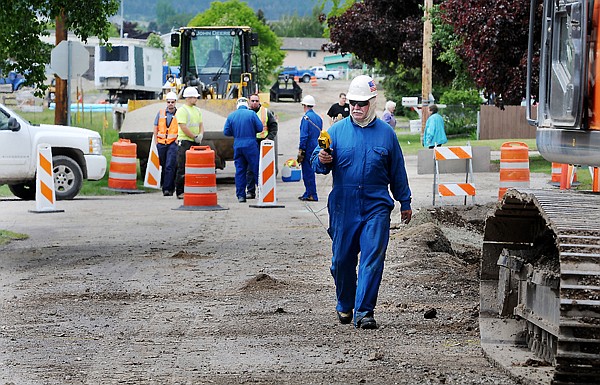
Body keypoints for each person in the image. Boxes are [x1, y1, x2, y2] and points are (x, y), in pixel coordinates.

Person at [310, 75, 412, 329]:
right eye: (353, 102)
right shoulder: (335, 132)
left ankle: (364, 311)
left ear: (373, 103)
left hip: (376, 204)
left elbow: (398, 171)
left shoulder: (387, 135)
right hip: (344, 206)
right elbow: (316, 161)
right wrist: (321, 159)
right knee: (341, 261)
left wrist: (405, 201)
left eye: (362, 103)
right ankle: (345, 304)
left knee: (372, 257)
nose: (356, 108)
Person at [223, 97, 264, 203]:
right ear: (247, 104)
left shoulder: (231, 116)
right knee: (256, 169)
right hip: (251, 145)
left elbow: (226, 132)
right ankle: (262, 193)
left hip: (238, 145)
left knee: (240, 171)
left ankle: (241, 196)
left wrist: (237, 133)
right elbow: (260, 128)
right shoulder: (252, 114)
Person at [174, 86, 205, 199]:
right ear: (188, 98)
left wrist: (200, 135)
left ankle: (193, 189)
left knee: (196, 167)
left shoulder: (197, 110)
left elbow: (200, 124)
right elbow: (183, 127)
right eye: (194, 97)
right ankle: (180, 192)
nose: (196, 99)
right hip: (185, 141)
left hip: (195, 141)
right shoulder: (182, 110)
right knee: (182, 167)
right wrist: (194, 136)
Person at [246, 93, 278, 199]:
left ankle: (264, 191)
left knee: (264, 167)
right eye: (253, 101)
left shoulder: (266, 112)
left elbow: (273, 126)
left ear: (259, 101)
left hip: (263, 143)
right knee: (250, 168)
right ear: (248, 101)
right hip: (251, 143)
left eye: (256, 101)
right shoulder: (245, 112)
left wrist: (269, 138)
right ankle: (251, 191)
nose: (255, 103)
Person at [152, 91, 179, 196]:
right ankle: (168, 186)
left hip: (173, 143)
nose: (170, 104)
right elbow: (155, 127)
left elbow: (182, 126)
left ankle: (167, 189)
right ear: (166, 102)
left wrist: (178, 139)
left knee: (170, 165)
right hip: (161, 143)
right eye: (169, 102)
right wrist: (156, 141)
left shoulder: (179, 113)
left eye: (172, 102)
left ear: (175, 102)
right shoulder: (161, 113)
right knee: (163, 165)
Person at [297, 95, 322, 202]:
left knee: (307, 172)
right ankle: (308, 192)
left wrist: (301, 150)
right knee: (311, 170)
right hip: (316, 147)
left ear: (305, 105)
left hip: (308, 148)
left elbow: (304, 135)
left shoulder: (306, 118)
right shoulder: (318, 118)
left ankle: (312, 194)